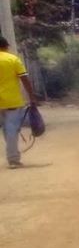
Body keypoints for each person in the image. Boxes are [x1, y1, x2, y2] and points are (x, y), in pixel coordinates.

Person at [0, 36, 37, 169]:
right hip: (12, 102)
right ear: (6, 46)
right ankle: (13, 160)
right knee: (11, 130)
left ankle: (12, 156)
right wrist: (32, 97)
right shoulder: (13, 59)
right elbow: (24, 79)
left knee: (6, 130)